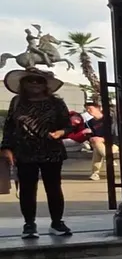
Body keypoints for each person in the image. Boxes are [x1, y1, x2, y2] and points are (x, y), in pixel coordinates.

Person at [1, 69, 73, 238]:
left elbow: (68, 125)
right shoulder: (17, 102)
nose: (34, 83)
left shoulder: (56, 103)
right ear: (23, 83)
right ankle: (29, 224)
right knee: (27, 189)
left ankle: (57, 222)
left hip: (51, 151)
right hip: (24, 151)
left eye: (39, 80)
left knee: (54, 188)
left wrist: (61, 132)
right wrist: (6, 148)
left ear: (45, 84)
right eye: (30, 80)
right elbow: (10, 126)